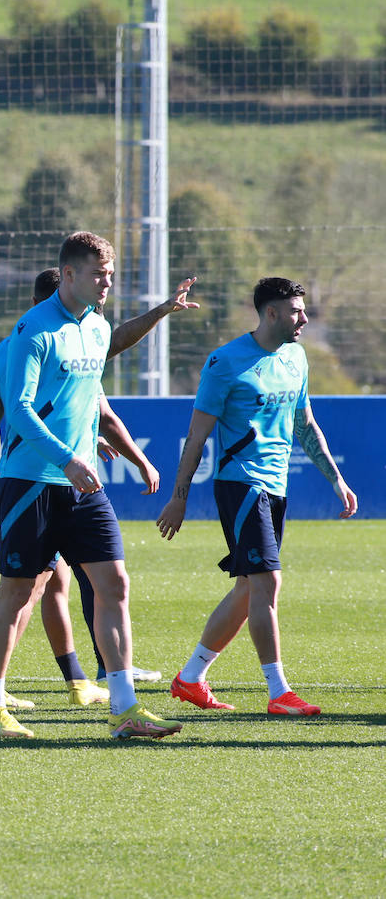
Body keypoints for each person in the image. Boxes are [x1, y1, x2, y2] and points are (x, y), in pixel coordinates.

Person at [0, 267, 198, 701]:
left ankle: (103, 691)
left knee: (79, 582)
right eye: (99, 279)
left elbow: (91, 382)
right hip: (35, 479)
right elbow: (0, 419)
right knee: (29, 585)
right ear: (62, 289)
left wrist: (85, 437)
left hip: (77, 483)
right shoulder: (24, 342)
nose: (105, 290)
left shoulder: (89, 332)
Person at [158, 277, 357, 716]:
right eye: (296, 311)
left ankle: (190, 679)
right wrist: (179, 496)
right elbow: (196, 437)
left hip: (275, 486)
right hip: (241, 484)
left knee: (249, 588)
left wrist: (336, 480)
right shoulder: (224, 362)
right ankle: (279, 692)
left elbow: (305, 423)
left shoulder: (296, 357)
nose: (304, 318)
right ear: (270, 312)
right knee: (268, 581)